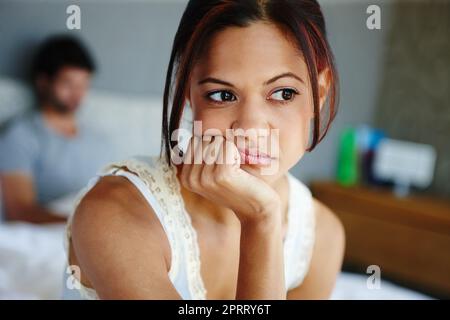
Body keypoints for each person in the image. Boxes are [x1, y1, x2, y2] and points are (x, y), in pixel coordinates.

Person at [64, 0, 345, 300]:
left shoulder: (321, 236)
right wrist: (261, 217)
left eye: (283, 93)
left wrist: (262, 219)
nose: (250, 129)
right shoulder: (115, 212)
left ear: (320, 93)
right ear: (188, 92)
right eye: (222, 95)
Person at [0, 35, 115, 223]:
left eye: (83, 85)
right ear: (43, 82)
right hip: (55, 232)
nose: (77, 94)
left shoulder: (100, 142)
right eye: (68, 83)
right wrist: (81, 225)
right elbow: (19, 211)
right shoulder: (19, 136)